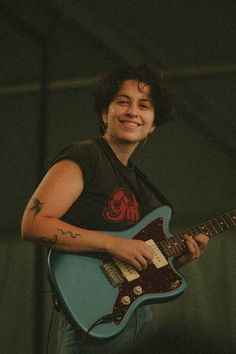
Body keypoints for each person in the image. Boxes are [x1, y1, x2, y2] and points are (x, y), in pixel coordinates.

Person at [21, 64, 209, 354]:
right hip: (92, 317)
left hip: (134, 315)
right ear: (104, 113)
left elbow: (134, 255)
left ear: (154, 123)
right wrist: (113, 244)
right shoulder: (87, 155)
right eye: (122, 101)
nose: (133, 111)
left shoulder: (141, 184)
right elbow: (33, 224)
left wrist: (176, 260)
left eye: (144, 105)